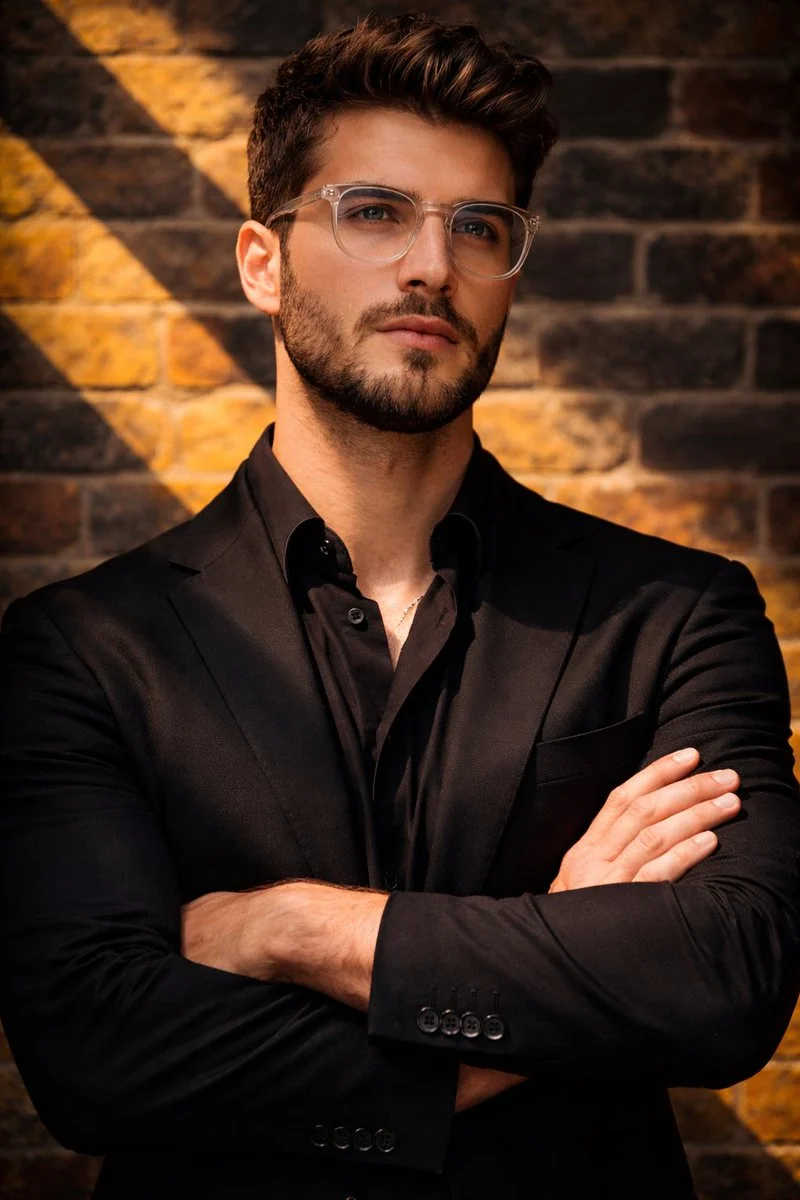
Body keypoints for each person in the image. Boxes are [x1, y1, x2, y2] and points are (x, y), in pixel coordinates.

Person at [1, 13, 798, 1200]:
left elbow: (723, 982)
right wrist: (565, 945)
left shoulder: (674, 614)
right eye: (373, 213)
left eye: (477, 226)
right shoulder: (82, 650)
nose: (433, 263)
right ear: (259, 261)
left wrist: (287, 929)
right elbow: (101, 1059)